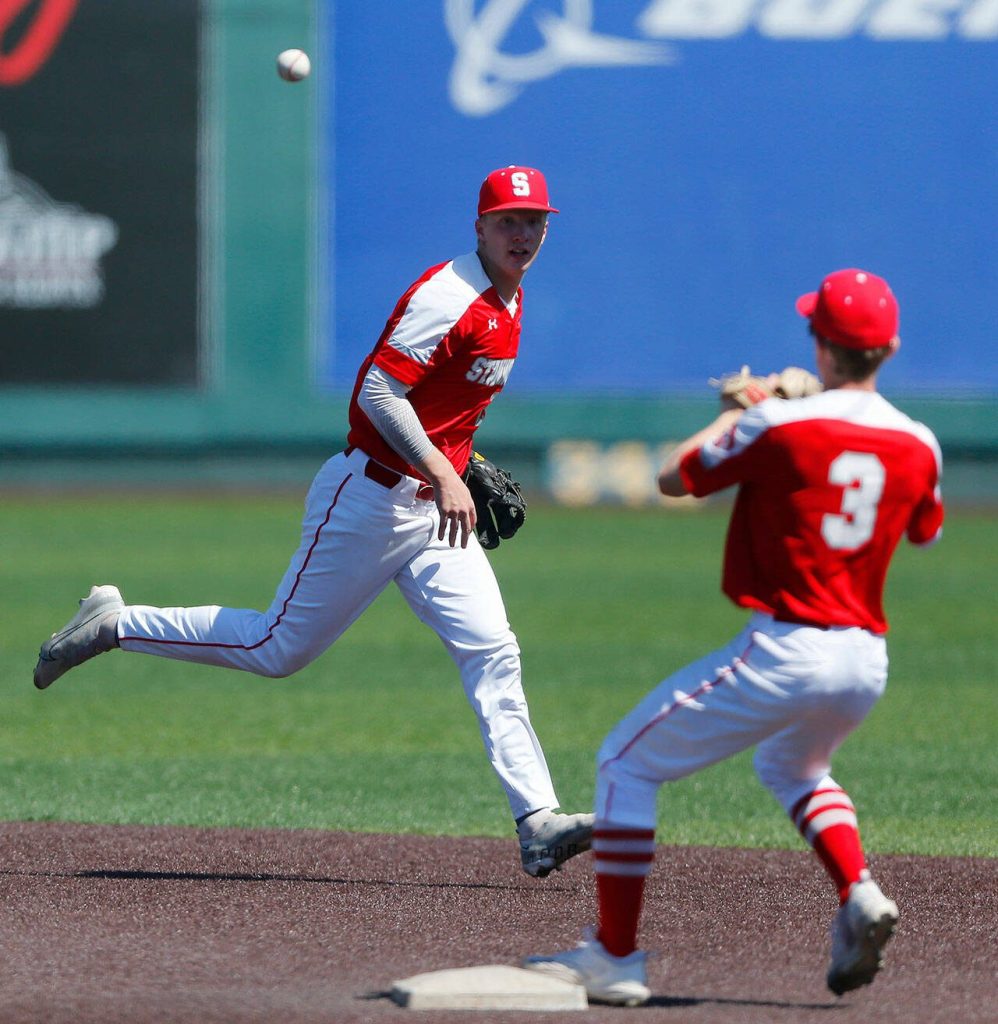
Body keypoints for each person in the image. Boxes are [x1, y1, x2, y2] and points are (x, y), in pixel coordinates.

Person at [32, 165, 593, 879]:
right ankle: (113, 623)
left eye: (535, 221)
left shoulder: (509, 301)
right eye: (508, 221)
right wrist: (449, 471)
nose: (523, 234)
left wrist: (463, 459)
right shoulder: (449, 297)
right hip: (367, 497)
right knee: (277, 647)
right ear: (478, 226)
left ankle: (538, 821)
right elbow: (378, 391)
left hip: (431, 514)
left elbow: (440, 404)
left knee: (492, 648)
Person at [523, 268, 944, 1004]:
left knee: (624, 763)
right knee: (794, 767)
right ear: (891, 347)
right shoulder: (920, 442)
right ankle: (860, 892)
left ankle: (615, 957)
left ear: (821, 344)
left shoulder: (779, 425)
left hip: (789, 646)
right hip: (865, 661)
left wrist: (744, 407)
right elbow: (925, 531)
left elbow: (674, 478)